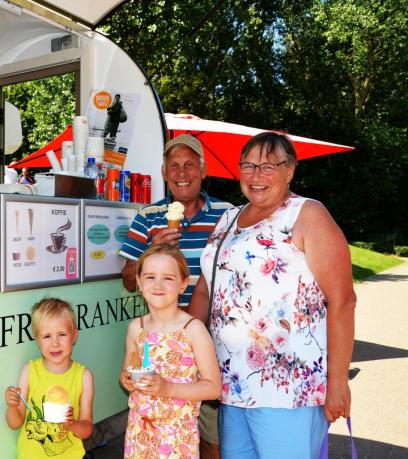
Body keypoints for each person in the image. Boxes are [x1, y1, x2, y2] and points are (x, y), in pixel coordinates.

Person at [190, 131, 356, 458]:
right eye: (248, 166)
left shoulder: (306, 214)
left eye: (268, 166)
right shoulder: (228, 219)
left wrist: (338, 381)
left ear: (290, 170)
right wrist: (186, 351)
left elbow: (343, 300)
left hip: (287, 389)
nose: (256, 175)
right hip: (231, 386)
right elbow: (205, 289)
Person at [119, 134, 231, 457]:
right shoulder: (148, 216)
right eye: (174, 166)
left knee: (211, 429)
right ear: (165, 173)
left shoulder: (227, 214)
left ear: (203, 169)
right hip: (159, 335)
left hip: (211, 332)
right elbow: (128, 279)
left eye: (189, 164)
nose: (182, 172)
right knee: (157, 418)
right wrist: (151, 249)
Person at [120, 244, 221, 458]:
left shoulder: (193, 330)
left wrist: (168, 389)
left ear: (183, 284)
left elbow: (213, 388)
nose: (158, 285)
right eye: (149, 277)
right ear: (139, 281)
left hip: (177, 439)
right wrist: (127, 379)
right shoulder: (135, 328)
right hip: (140, 434)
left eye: (168, 278)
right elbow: (126, 373)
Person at [5, 298, 94, 458]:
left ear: (74, 335)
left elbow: (87, 429)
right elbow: (15, 423)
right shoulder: (29, 370)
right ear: (38, 340)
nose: (55, 343)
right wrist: (12, 406)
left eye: (62, 334)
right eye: (47, 336)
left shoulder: (83, 376)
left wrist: (72, 425)